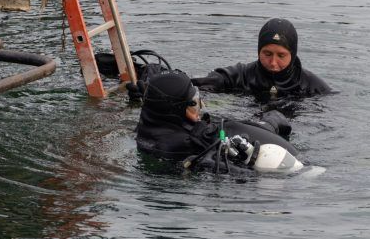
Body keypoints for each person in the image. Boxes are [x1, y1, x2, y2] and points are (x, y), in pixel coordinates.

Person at [133, 70, 296, 165]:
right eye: (193, 104)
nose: (200, 108)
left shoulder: (146, 129)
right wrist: (271, 122)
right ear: (174, 109)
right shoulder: (196, 142)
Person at [191, 18, 332, 99]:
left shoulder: (312, 86)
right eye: (267, 54)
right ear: (259, 51)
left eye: (281, 55)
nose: (273, 63)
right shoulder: (242, 75)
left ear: (293, 54)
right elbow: (213, 80)